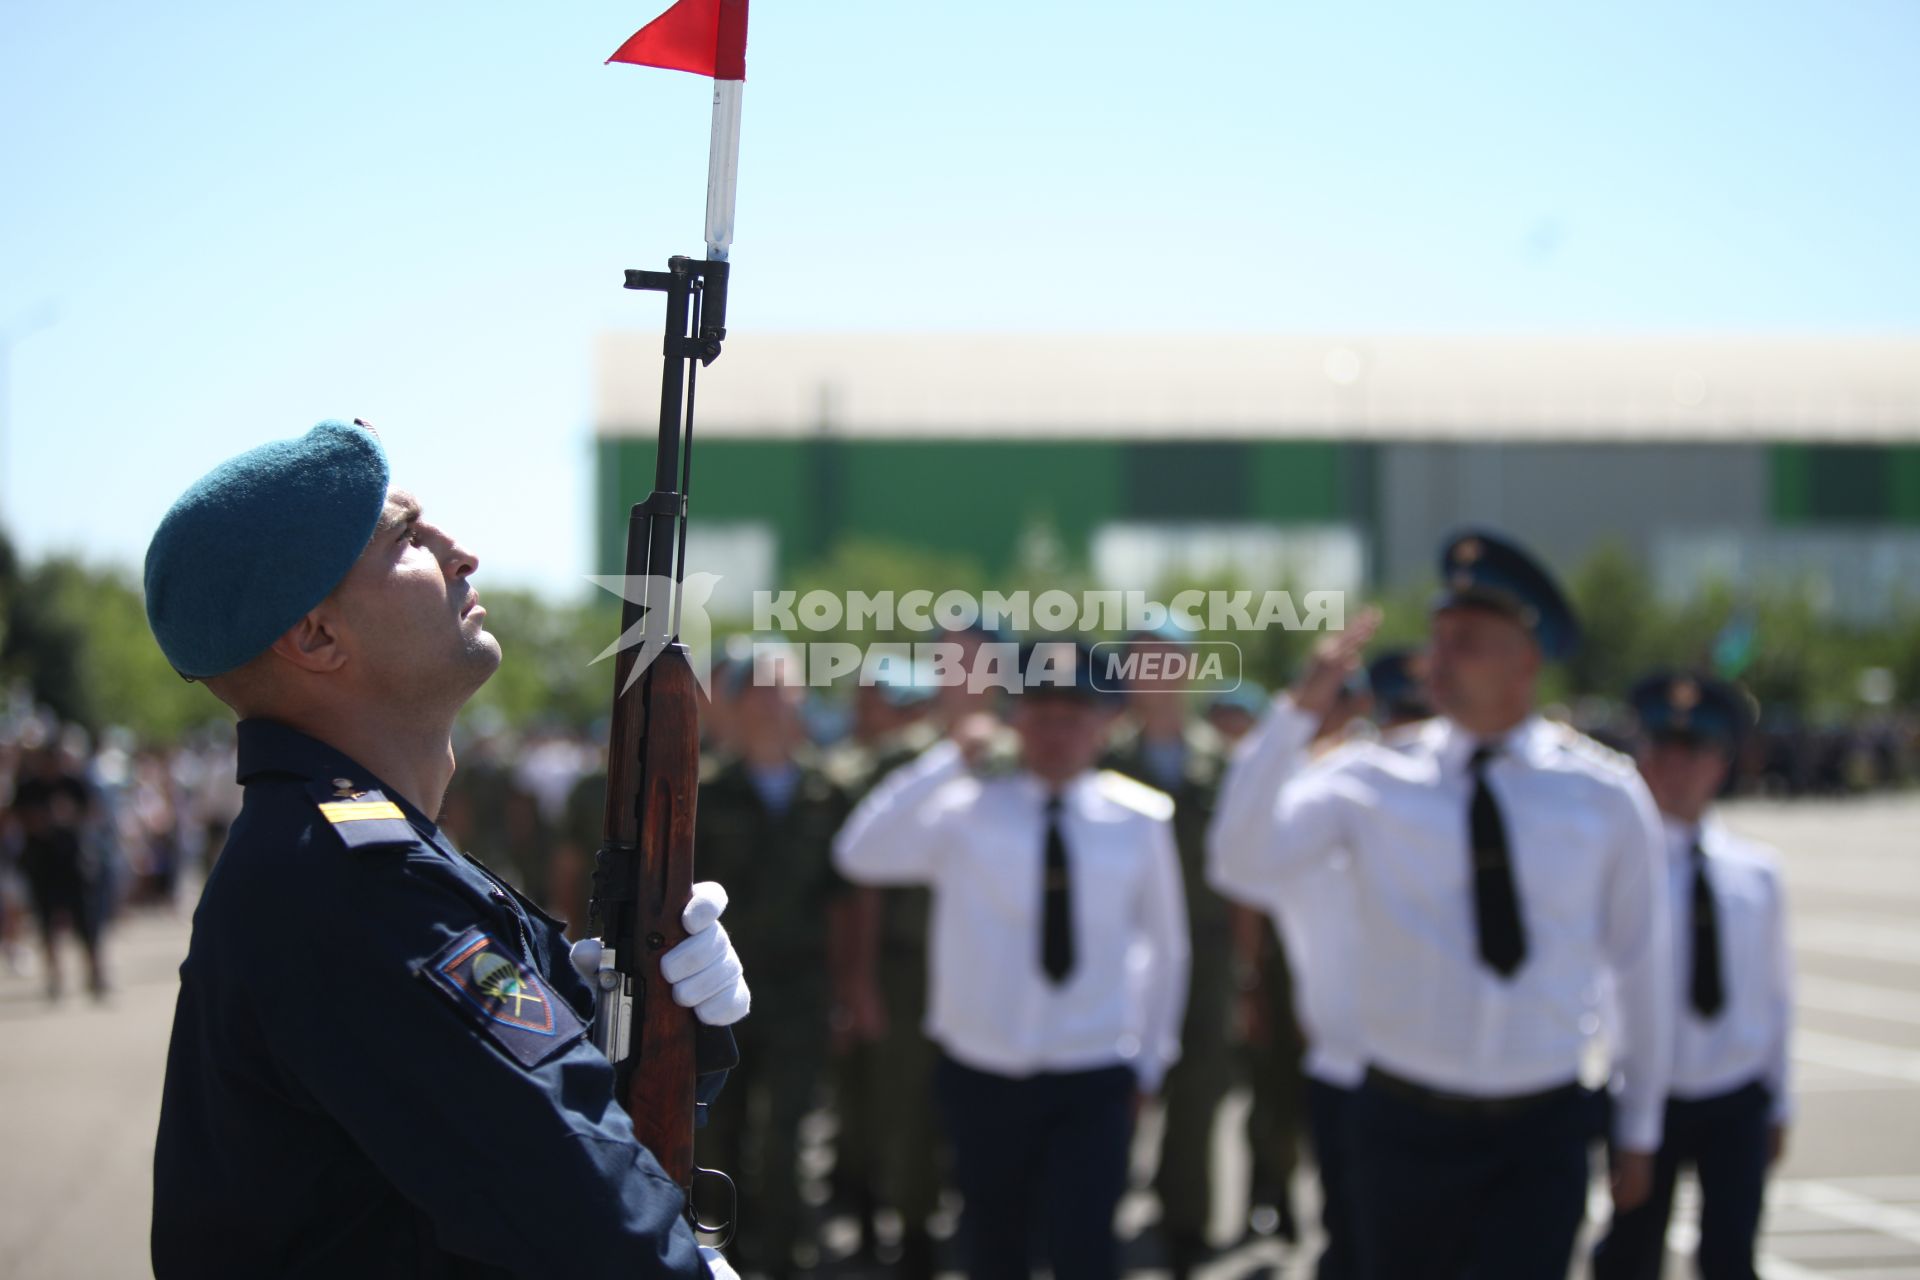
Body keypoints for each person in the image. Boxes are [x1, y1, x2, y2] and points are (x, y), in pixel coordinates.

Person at [143, 419, 750, 1278]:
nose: (460, 552)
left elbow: (552, 1121)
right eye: (406, 539)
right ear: (317, 637)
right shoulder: (349, 890)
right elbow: (575, 1209)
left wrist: (663, 1028)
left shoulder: (353, 858)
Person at [1209, 529, 1674, 1280]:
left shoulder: (1603, 792)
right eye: (1438, 639)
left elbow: (1641, 964)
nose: (1440, 660)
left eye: (1468, 642)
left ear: (1527, 660)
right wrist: (1298, 710)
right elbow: (1240, 858)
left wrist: (1642, 1122)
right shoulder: (1372, 779)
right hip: (1404, 1122)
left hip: (1543, 1123)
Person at [834, 639, 1190, 1280]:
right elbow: (860, 853)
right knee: (994, 1249)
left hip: (1095, 1069)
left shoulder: (1140, 818)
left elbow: (1167, 947)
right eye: (1040, 714)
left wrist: (1151, 1063)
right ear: (1013, 719)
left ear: (1106, 724)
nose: (1057, 733)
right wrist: (949, 757)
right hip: (984, 1068)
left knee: (1086, 1249)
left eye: (1075, 716)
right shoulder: (966, 807)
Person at [1592, 672, 1793, 1280]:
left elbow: (1776, 992)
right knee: (1630, 1254)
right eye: (1660, 748)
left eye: (1694, 750)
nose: (1675, 766)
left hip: (1735, 1093)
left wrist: (1779, 1098)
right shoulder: (1613, 868)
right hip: (1647, 1094)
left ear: (1723, 762)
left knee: (1731, 1254)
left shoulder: (1755, 872)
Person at [694, 658, 854, 1279]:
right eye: (754, 694)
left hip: (800, 991)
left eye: (780, 693)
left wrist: (850, 986)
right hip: (718, 993)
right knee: (719, 1133)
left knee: (788, 1135)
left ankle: (787, 1258)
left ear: (801, 702)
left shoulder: (828, 790)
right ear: (733, 707)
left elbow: (847, 901)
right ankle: (718, 1256)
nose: (769, 706)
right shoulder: (704, 789)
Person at [1102, 626, 1243, 1278]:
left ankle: (1186, 1222)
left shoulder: (1221, 761)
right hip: (1120, 951)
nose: (1154, 676)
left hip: (1209, 952)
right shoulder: (1103, 757)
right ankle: (1095, 1213)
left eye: (1167, 662)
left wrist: (1249, 972)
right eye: (1141, 663)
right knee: (1111, 1086)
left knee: (1200, 1089)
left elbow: (1244, 878)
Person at [11, 738, 108, 998]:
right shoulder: (28, 787)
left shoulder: (73, 783)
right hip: (41, 864)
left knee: (86, 922)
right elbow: (15, 817)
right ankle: (55, 977)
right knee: (46, 922)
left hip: (73, 862)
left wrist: (68, 815)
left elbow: (93, 813)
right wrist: (38, 821)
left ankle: (95, 973)